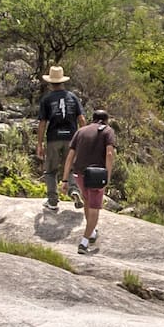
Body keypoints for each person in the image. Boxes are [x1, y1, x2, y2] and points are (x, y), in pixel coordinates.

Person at [62, 108, 116, 255]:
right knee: (94, 208)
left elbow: (70, 156)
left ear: (92, 119)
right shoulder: (107, 131)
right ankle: (84, 242)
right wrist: (107, 176)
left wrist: (65, 179)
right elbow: (109, 154)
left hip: (79, 174)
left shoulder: (81, 131)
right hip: (97, 175)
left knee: (87, 201)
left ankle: (91, 233)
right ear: (106, 120)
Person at [36, 65, 86, 212]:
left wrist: (39, 143)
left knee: (51, 170)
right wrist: (83, 138)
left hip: (53, 139)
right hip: (72, 138)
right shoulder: (72, 97)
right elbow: (81, 119)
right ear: (62, 81)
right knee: (71, 167)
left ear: (50, 82)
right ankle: (74, 190)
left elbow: (42, 123)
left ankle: (52, 201)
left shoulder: (46, 99)